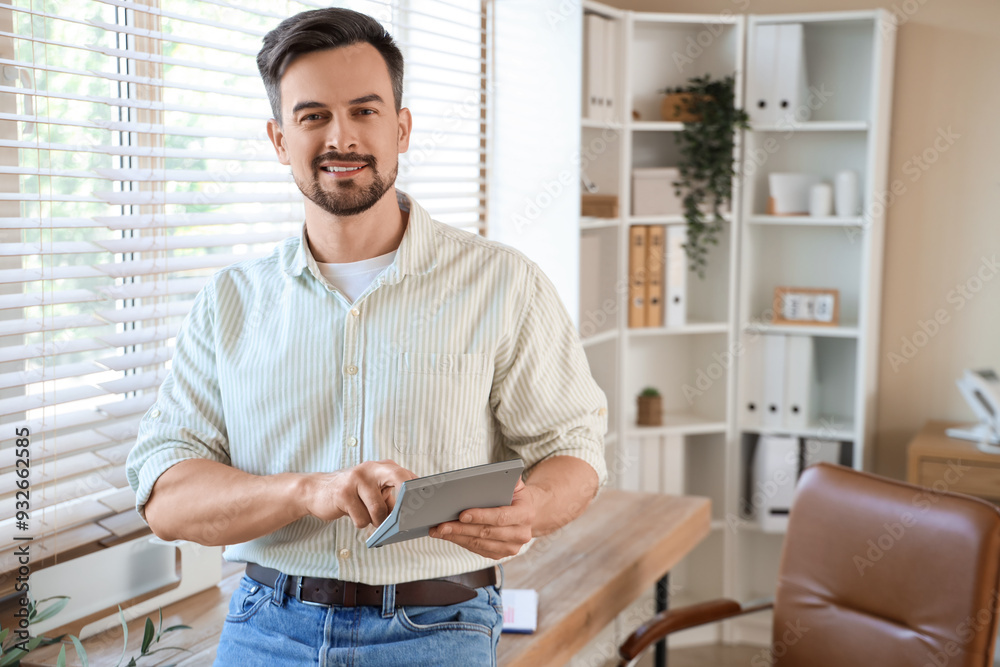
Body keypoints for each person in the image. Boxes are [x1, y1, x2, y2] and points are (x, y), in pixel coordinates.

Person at [125, 7, 607, 666]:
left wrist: (538, 505)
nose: (340, 137)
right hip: (266, 625)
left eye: (365, 111)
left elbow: (571, 446)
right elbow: (166, 495)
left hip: (440, 625)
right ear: (277, 138)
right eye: (312, 115)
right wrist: (307, 491)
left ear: (402, 127)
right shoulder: (229, 303)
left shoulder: (505, 284)